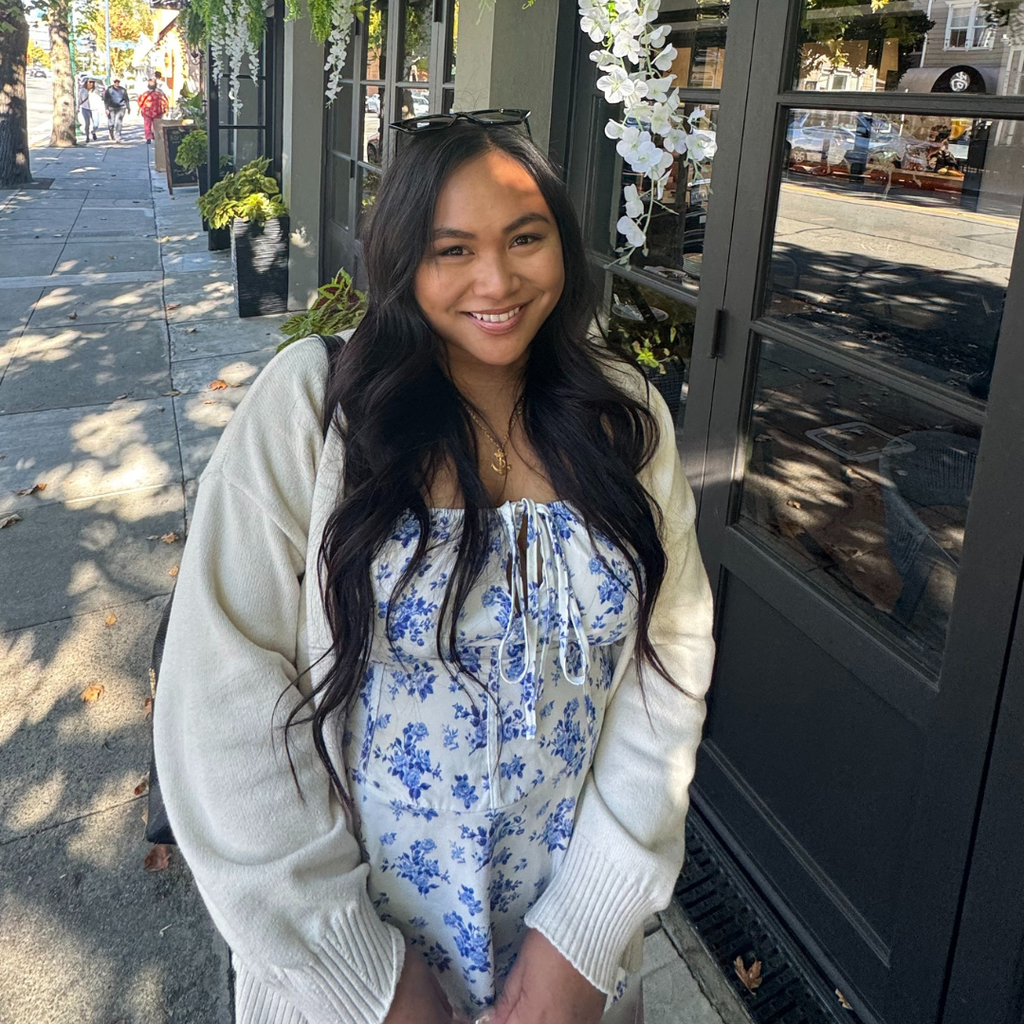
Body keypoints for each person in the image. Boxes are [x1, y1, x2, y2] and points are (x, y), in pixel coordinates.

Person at [153, 111, 716, 1024]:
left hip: (570, 968)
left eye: (525, 239)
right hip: (355, 978)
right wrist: (369, 985)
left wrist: (582, 937)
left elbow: (670, 667)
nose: (496, 280)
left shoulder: (622, 419)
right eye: (451, 249)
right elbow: (221, 706)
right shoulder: (316, 408)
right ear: (400, 260)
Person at [137, 78, 169, 145]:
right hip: (158, 112)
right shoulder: (159, 94)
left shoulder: (145, 94)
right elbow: (164, 102)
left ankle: (148, 138)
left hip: (147, 112)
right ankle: (156, 136)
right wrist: (166, 110)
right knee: (157, 125)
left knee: (147, 125)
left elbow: (140, 102)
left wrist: (139, 109)